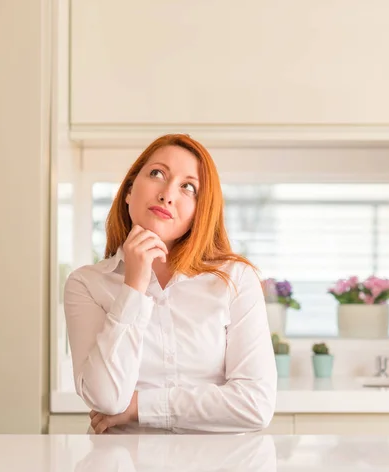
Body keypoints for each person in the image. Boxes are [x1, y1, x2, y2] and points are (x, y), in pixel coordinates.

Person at [63, 134, 277, 434]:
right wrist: (134, 287)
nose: (167, 194)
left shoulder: (235, 279)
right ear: (128, 191)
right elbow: (106, 399)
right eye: (157, 174)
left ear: (199, 211)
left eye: (188, 187)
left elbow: (255, 404)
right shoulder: (86, 284)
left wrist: (139, 407)